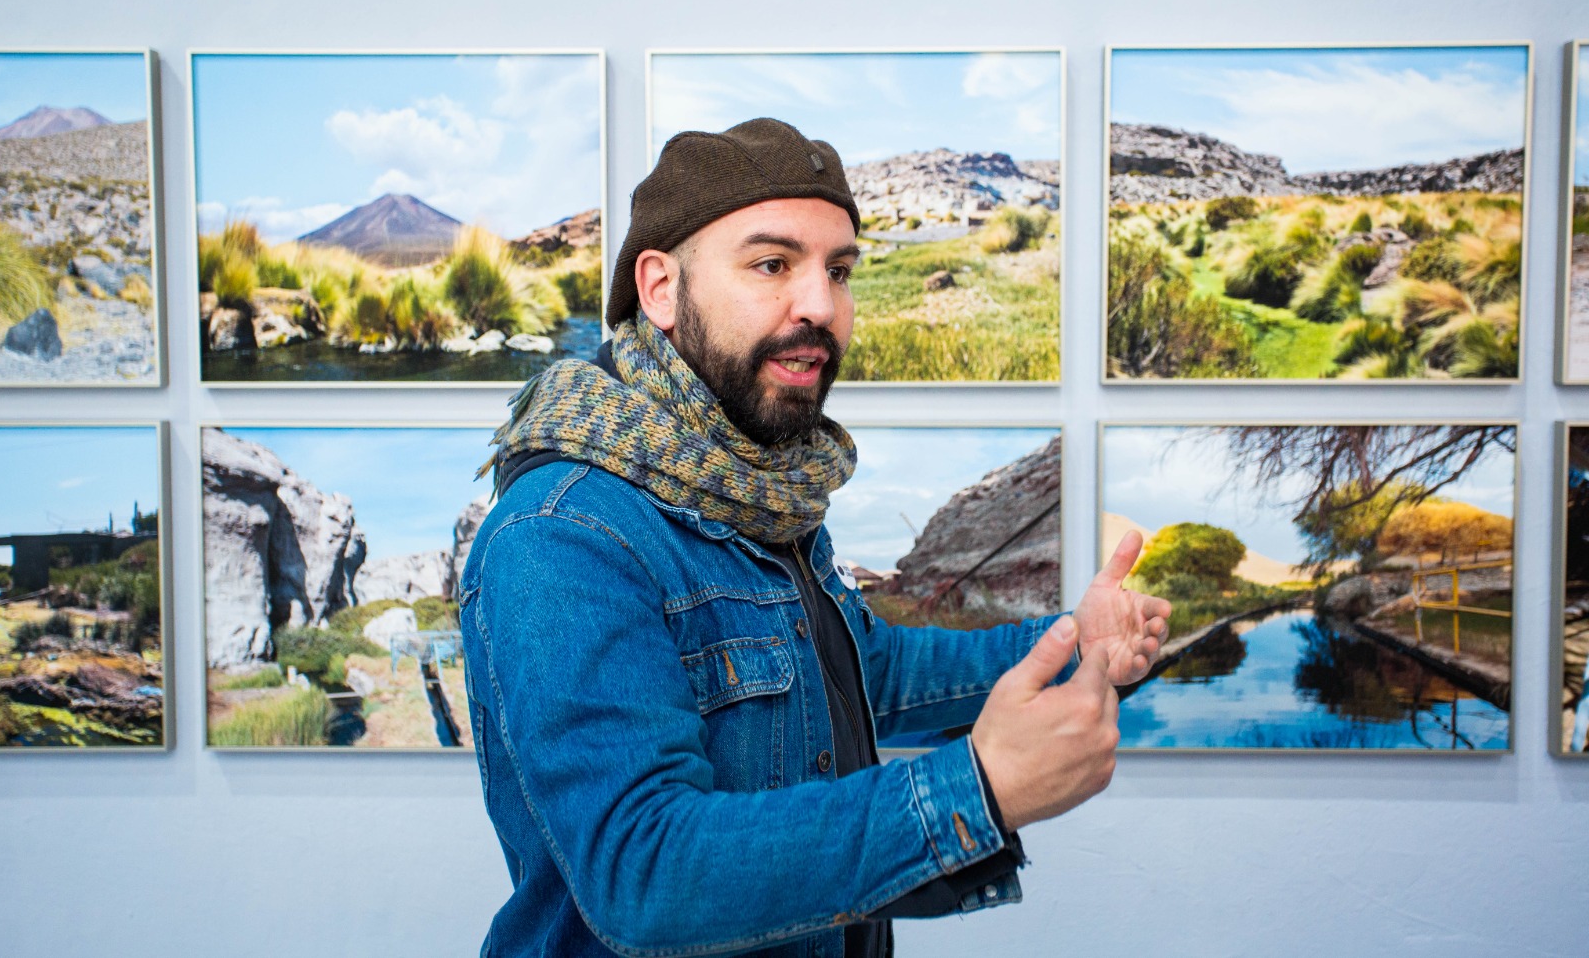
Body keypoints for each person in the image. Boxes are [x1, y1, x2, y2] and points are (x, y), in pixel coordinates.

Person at [460, 117, 1170, 957]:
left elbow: (861, 671)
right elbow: (642, 870)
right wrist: (977, 792)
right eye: (772, 265)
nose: (820, 307)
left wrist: (1070, 645)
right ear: (658, 288)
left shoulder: (759, 487)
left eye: (839, 271)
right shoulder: (564, 533)